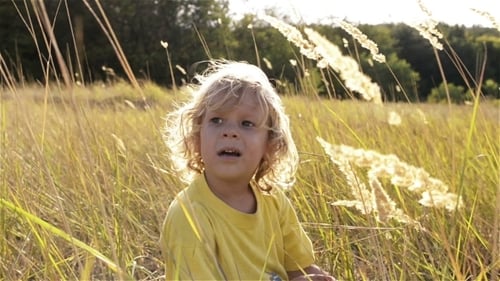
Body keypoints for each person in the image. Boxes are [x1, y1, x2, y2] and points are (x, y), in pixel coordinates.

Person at [160, 60, 335, 281]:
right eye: (217, 120)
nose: (230, 132)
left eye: (247, 124)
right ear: (197, 136)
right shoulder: (190, 216)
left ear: (270, 144)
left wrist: (315, 278)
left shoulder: (273, 201)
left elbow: (299, 269)